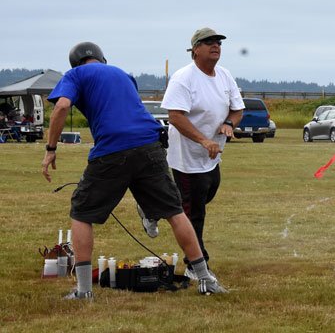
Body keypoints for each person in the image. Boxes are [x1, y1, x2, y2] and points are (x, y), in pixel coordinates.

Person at [41, 41, 227, 300]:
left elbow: (61, 106)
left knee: (81, 213)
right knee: (175, 211)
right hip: (150, 145)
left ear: (75, 62)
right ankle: (206, 279)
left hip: (112, 149)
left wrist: (51, 148)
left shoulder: (75, 75)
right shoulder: (123, 74)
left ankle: (84, 291)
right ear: (102, 58)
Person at [152, 27, 243, 279]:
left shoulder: (224, 76)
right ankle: (195, 265)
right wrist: (203, 140)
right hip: (187, 158)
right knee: (194, 212)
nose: (216, 46)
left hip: (212, 157)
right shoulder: (184, 78)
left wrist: (229, 124)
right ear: (195, 50)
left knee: (203, 197)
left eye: (218, 43)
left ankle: (153, 208)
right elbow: (175, 116)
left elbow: (237, 110)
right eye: (208, 42)